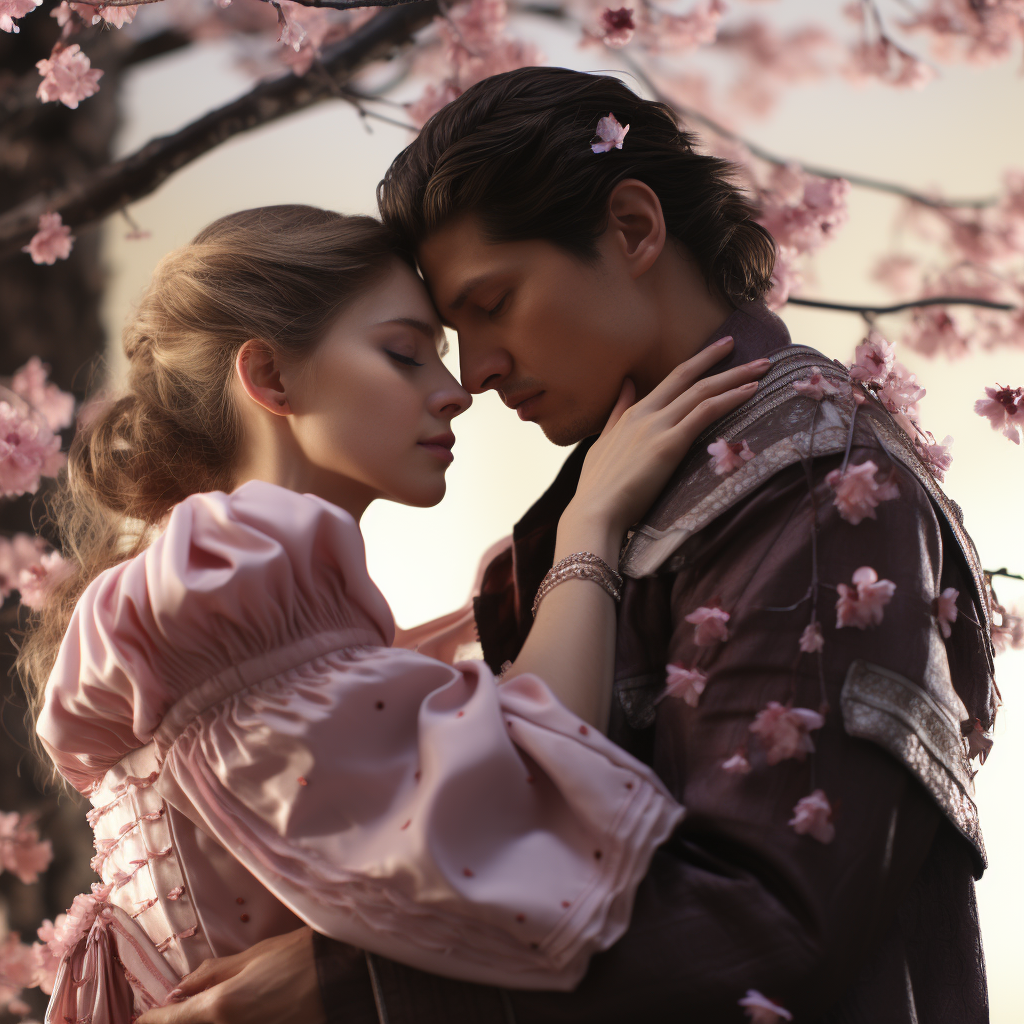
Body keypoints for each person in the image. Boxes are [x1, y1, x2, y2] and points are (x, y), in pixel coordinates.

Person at [140, 69, 998, 1024]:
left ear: (632, 229)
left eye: (493, 303)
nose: (478, 373)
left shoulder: (812, 474)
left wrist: (350, 985)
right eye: (447, 335)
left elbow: (775, 914)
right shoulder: (628, 493)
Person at [21, 205, 768, 1022]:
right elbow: (517, 787)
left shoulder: (231, 592)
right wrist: (590, 528)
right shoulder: (232, 573)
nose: (456, 393)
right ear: (269, 377)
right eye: (404, 354)